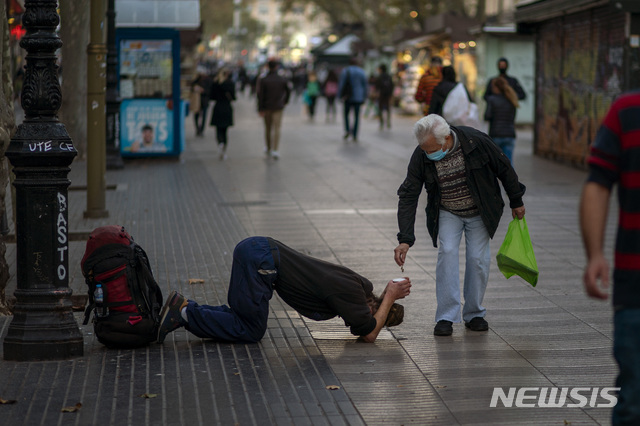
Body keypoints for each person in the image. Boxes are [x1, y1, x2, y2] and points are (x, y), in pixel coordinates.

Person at [394, 114, 526, 336]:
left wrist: (516, 200)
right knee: (447, 251)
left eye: (431, 149)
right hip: (447, 211)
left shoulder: (477, 142)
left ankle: (474, 313)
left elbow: (504, 167)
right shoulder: (422, 154)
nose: (428, 154)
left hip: (480, 211)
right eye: (424, 150)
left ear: (446, 138)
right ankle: (446, 316)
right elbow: (409, 194)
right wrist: (405, 239)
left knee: (477, 259)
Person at [157, 236, 411, 344]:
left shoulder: (355, 290)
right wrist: (390, 295)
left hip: (260, 254)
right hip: (261, 259)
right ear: (373, 306)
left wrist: (384, 302)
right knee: (251, 329)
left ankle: (185, 308)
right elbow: (368, 334)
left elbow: (361, 329)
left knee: (243, 318)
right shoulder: (353, 294)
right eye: (376, 315)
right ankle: (184, 313)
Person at [580, 91, 640, 426]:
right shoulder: (628, 112)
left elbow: (598, 184)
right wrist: (594, 254)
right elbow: (598, 183)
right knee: (634, 402)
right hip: (636, 288)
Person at [257, 59, 291, 159]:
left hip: (267, 107)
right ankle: (275, 149)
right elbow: (288, 90)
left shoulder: (263, 79)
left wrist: (260, 108)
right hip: (278, 107)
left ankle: (268, 147)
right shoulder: (282, 79)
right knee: (277, 128)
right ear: (276, 67)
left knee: (268, 128)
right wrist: (284, 101)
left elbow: (260, 95)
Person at [484, 76, 519, 163]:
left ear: (496, 87)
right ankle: (511, 177)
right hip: (510, 134)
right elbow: (512, 117)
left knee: (495, 163)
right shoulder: (512, 99)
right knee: (509, 163)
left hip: (496, 134)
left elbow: (487, 116)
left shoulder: (492, 99)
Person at [338, 57, 368, 142]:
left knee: (346, 115)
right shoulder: (361, 71)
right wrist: (365, 96)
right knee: (357, 116)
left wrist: (339, 95)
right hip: (358, 97)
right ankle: (355, 133)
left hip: (348, 96)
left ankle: (347, 130)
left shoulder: (345, 71)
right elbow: (365, 85)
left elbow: (342, 84)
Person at [210, 68, 236, 160]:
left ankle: (220, 142)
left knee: (218, 129)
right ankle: (224, 147)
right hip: (227, 107)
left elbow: (211, 96)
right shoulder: (230, 83)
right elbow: (234, 97)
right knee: (225, 130)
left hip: (218, 107)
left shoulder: (215, 83)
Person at [191, 67, 212, 137]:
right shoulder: (197, 80)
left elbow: (210, 91)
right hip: (197, 101)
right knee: (196, 115)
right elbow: (192, 86)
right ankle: (197, 129)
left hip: (204, 100)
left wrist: (203, 91)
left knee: (204, 116)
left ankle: (202, 129)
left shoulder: (208, 80)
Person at [375, 64, 395, 130]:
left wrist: (375, 93)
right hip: (388, 95)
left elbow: (377, 86)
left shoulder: (380, 76)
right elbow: (392, 85)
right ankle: (388, 122)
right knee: (388, 109)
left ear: (381, 69)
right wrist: (391, 94)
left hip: (381, 95)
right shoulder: (389, 76)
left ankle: (381, 123)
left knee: (380, 109)